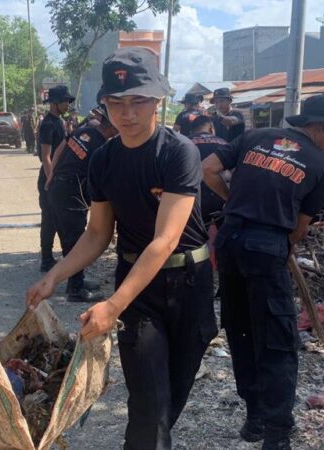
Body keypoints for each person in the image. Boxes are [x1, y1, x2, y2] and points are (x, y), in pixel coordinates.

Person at [28, 46, 217, 450]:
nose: (126, 113)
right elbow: (97, 234)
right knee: (148, 404)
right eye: (116, 103)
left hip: (188, 284)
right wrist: (53, 277)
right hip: (138, 292)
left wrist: (111, 305)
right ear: (105, 105)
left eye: (137, 101)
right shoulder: (103, 160)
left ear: (157, 101)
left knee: (169, 403)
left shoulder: (178, 153)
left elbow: (165, 240)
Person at [202, 94, 324, 450]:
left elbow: (206, 169)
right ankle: (278, 432)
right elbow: (300, 227)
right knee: (279, 339)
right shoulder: (322, 167)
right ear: (321, 128)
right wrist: (280, 244)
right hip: (266, 246)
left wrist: (232, 200)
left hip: (229, 241)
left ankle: (255, 419)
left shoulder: (255, 136)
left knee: (242, 329)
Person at [46, 105, 117, 303]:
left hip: (57, 188)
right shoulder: (103, 147)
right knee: (76, 241)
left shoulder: (85, 131)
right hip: (72, 194)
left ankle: (75, 281)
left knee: (68, 238)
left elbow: (61, 146)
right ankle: (76, 289)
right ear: (112, 125)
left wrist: (51, 173)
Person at [37, 85, 74, 272]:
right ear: (54, 103)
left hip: (56, 178)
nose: (67, 104)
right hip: (48, 178)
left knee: (55, 218)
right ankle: (46, 258)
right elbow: (46, 156)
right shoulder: (48, 124)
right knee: (49, 219)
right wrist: (50, 180)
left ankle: (53, 258)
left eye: (68, 101)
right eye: (64, 101)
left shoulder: (59, 121)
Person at [189, 115, 228, 229]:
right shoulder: (224, 143)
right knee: (225, 236)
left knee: (196, 240)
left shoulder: (184, 143)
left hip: (194, 198)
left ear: (192, 129)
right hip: (221, 194)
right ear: (211, 128)